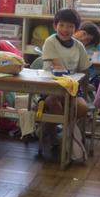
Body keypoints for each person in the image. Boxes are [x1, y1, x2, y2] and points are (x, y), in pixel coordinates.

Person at [39, 8, 91, 161]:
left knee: (82, 107)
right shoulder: (50, 42)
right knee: (55, 105)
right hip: (51, 86)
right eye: (61, 25)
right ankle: (55, 136)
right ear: (55, 26)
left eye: (70, 26)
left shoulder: (79, 46)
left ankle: (55, 130)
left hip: (71, 87)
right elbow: (58, 66)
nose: (65, 29)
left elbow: (84, 69)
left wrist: (80, 83)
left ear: (76, 29)